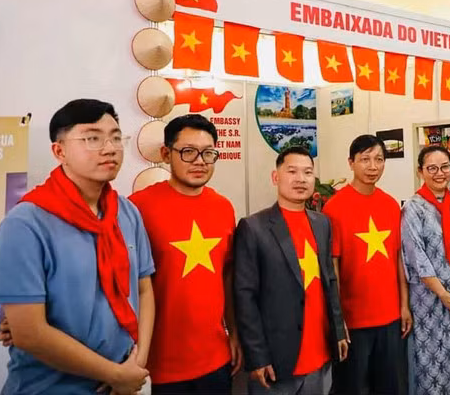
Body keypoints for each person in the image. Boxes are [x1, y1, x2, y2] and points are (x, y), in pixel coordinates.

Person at [0, 99, 154, 394]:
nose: (110, 147)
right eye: (92, 138)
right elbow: (29, 333)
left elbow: (143, 288)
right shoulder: (26, 224)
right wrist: (115, 374)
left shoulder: (126, 213)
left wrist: (135, 365)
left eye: (116, 137)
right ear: (59, 151)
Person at [128, 114, 241, 394]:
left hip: (215, 357)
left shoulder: (223, 207)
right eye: (188, 152)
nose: (200, 161)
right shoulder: (137, 207)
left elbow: (227, 275)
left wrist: (235, 332)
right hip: (156, 362)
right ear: (166, 154)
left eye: (208, 153)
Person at [234, 147, 348, 395]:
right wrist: (257, 356)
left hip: (319, 354)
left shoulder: (322, 223)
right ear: (276, 177)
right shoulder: (253, 228)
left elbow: (329, 279)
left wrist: (338, 331)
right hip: (277, 360)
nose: (301, 179)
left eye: (308, 172)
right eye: (292, 171)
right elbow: (244, 297)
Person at [323, 134, 412, 394]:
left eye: (379, 159)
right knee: (353, 387)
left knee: (391, 386)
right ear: (351, 163)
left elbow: (397, 258)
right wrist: (338, 320)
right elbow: (333, 269)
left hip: (390, 318)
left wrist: (404, 306)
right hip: (354, 321)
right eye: (365, 160)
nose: (373, 167)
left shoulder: (390, 204)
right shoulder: (334, 208)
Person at [401, 145, 450, 395]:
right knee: (432, 363)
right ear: (420, 172)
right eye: (432, 168)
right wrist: (443, 294)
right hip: (429, 301)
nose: (440, 173)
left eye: (445, 167)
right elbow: (416, 257)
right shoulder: (411, 209)